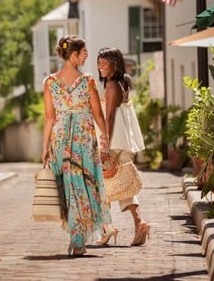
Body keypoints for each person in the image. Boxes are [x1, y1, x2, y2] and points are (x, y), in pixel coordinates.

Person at [41, 35, 113, 257]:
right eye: (84, 52)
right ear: (73, 55)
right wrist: (106, 135)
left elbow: (49, 118)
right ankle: (78, 238)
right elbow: (97, 113)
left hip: (60, 139)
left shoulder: (50, 82)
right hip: (83, 140)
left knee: (70, 187)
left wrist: (44, 147)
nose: (87, 56)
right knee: (85, 185)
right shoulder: (88, 80)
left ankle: (77, 237)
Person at [96, 46, 150, 246]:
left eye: (104, 62)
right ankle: (139, 222)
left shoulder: (111, 85)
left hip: (114, 142)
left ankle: (107, 229)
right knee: (122, 184)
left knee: (102, 184)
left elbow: (109, 117)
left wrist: (105, 145)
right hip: (124, 140)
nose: (100, 66)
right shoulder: (123, 82)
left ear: (115, 64)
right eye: (99, 62)